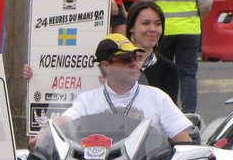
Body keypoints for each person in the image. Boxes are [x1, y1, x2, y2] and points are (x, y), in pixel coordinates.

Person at [30, 33, 193, 149]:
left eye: (136, 57)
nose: (134, 63)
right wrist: (45, 132)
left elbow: (185, 143)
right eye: (125, 59)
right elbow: (66, 120)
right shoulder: (87, 100)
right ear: (106, 66)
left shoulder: (157, 96)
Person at [141, 0, 211, 114]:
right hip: (189, 29)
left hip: (161, 31)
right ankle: (188, 115)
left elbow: (145, 1)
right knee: (187, 74)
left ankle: (164, 111)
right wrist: (196, 17)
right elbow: (206, 2)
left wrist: (152, 24)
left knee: (162, 71)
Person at [125, 0, 179, 104]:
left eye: (158, 24)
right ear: (131, 27)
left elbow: (170, 112)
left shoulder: (169, 69)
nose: (153, 29)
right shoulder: (116, 65)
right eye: (145, 23)